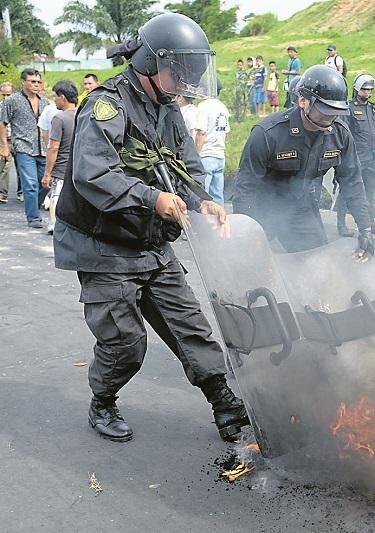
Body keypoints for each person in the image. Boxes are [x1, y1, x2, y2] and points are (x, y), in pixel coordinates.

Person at [53, 13, 249, 443]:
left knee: (191, 327)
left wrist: (201, 200)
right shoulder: (107, 105)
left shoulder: (167, 107)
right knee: (125, 343)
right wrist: (152, 198)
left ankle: (224, 403)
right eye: (178, 73)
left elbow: (186, 164)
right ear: (150, 62)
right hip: (103, 245)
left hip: (150, 241)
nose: (183, 84)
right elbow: (91, 173)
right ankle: (103, 401)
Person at [233, 65, 374, 259]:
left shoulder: (340, 134)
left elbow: (352, 181)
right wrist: (245, 233)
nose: (330, 118)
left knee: (317, 262)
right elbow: (245, 187)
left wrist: (365, 228)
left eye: (336, 111)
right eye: (325, 110)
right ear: (303, 101)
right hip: (261, 209)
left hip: (301, 208)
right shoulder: (267, 133)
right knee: (251, 263)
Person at [335, 73, 375, 237]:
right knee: (347, 191)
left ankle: (369, 221)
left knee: (369, 191)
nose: (367, 92)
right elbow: (343, 135)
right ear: (357, 89)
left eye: (370, 90)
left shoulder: (373, 110)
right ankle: (341, 223)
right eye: (364, 89)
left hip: (371, 159)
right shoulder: (348, 109)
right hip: (354, 158)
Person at [0, 69, 48, 228]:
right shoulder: (12, 101)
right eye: (32, 81)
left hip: (43, 149)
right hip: (23, 147)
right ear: (23, 82)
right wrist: (4, 146)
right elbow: (2, 123)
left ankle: (32, 206)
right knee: (30, 184)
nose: (36, 84)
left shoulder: (44, 101)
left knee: (45, 184)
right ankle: (33, 217)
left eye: (38, 82)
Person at [41, 80, 77, 235]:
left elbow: (53, 147)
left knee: (56, 197)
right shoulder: (83, 115)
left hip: (61, 168)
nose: (54, 100)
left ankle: (55, 225)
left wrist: (47, 173)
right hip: (78, 167)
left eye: (56, 96)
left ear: (62, 97)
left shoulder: (59, 118)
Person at [195, 80, 230, 206]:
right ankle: (220, 217)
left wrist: (195, 155)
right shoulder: (223, 107)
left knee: (203, 197)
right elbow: (226, 133)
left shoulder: (203, 107)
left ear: (205, 89)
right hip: (220, 156)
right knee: (217, 196)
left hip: (206, 155)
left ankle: (204, 218)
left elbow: (201, 133)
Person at [0, 81, 15, 203]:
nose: (6, 97)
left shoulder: (18, 105)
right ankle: (2, 194)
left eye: (8, 95)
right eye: (3, 95)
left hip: (17, 139)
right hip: (4, 140)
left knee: (22, 168)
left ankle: (22, 192)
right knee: (4, 167)